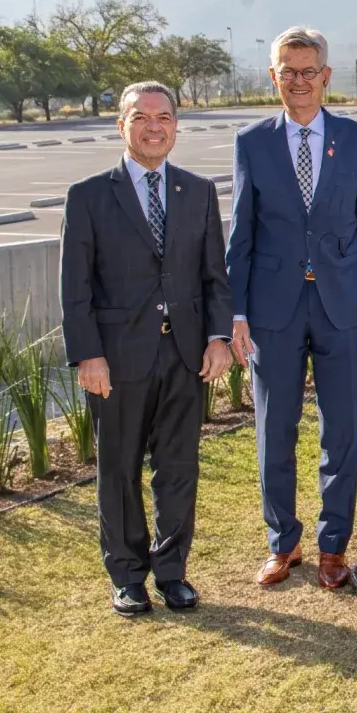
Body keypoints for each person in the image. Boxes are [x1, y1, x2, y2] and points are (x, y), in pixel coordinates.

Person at [226, 27, 357, 590]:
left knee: (341, 431)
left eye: (307, 71)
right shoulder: (251, 142)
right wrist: (237, 313)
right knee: (274, 429)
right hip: (271, 311)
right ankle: (283, 543)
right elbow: (241, 234)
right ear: (273, 76)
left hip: (343, 307)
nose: (297, 81)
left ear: (325, 76)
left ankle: (333, 546)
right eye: (287, 71)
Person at [60, 81, 232, 616]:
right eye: (141, 117)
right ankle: (127, 576)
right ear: (122, 126)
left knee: (178, 467)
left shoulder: (197, 191)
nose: (153, 127)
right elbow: (74, 287)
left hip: (185, 355)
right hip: (116, 360)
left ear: (176, 126)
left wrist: (219, 337)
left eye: (163, 117)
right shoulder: (88, 195)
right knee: (119, 469)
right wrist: (88, 354)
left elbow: (214, 275)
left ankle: (172, 572)